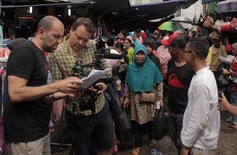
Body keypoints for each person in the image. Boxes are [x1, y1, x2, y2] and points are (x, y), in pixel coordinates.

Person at [3, 16, 83, 155]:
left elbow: (41, 92)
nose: (59, 41)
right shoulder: (25, 51)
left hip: (41, 132)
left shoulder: (40, 54)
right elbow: (15, 93)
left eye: (61, 37)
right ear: (41, 33)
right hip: (26, 137)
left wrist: (66, 92)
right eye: (56, 36)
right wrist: (57, 86)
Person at [47, 17, 114, 155]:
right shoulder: (55, 54)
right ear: (71, 30)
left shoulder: (93, 45)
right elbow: (55, 84)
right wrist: (69, 89)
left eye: (85, 39)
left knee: (107, 145)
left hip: (100, 106)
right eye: (78, 37)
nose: (81, 42)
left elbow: (106, 69)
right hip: (78, 112)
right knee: (81, 151)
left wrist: (104, 84)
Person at [181, 37, 220, 155]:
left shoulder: (202, 82)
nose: (183, 55)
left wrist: (186, 145)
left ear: (192, 54)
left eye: (185, 52)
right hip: (199, 141)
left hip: (199, 145)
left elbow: (199, 121)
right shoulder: (203, 75)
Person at [123, 44, 163, 155]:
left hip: (150, 98)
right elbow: (128, 84)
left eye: (142, 54)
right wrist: (127, 97)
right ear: (134, 54)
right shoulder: (131, 68)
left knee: (150, 121)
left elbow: (159, 83)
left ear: (145, 54)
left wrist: (160, 98)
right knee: (138, 123)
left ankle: (151, 139)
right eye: (137, 54)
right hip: (136, 99)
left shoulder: (152, 66)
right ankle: (138, 145)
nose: (139, 56)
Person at [162, 32, 194, 155]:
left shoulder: (190, 67)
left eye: (169, 47)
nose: (168, 50)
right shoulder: (171, 63)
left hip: (184, 113)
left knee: (183, 143)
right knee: (174, 139)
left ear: (176, 48)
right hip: (171, 110)